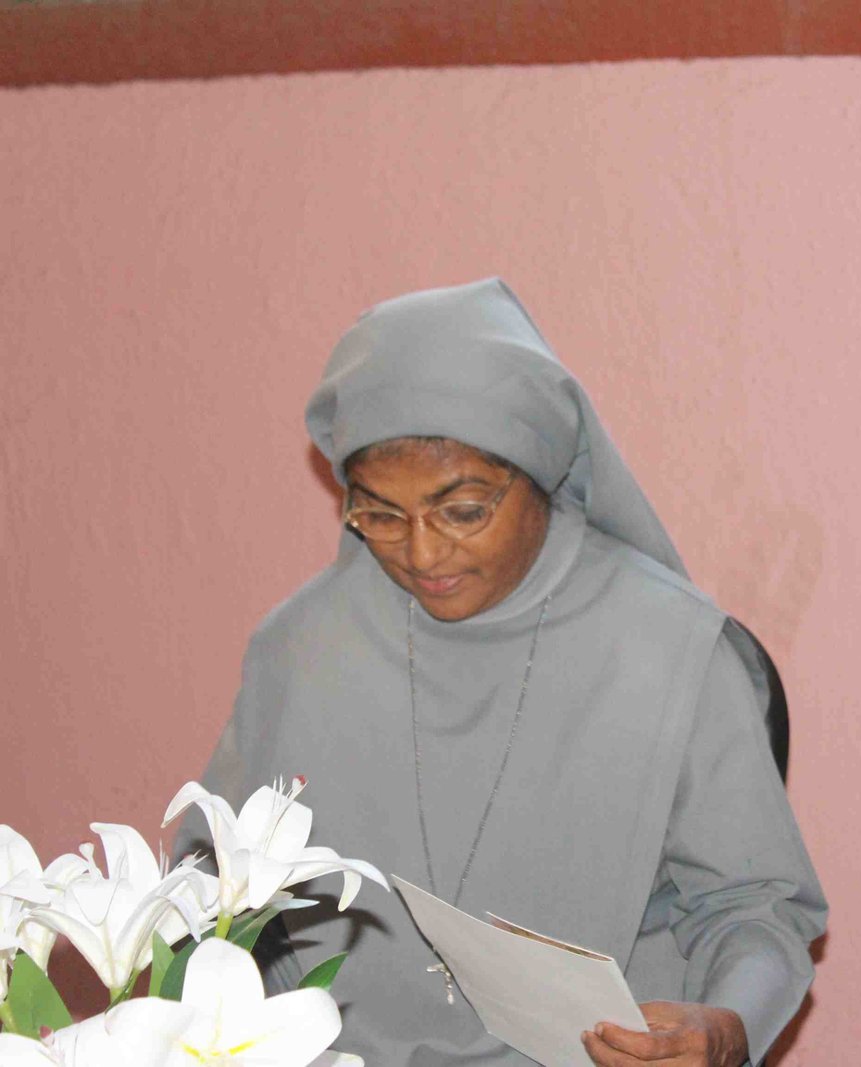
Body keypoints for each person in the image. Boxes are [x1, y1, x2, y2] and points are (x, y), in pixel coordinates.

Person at [196, 278, 826, 1066]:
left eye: (463, 510)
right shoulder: (299, 646)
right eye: (380, 513)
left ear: (540, 473)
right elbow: (209, 888)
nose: (423, 552)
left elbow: (756, 911)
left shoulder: (673, 650)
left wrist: (726, 1027)